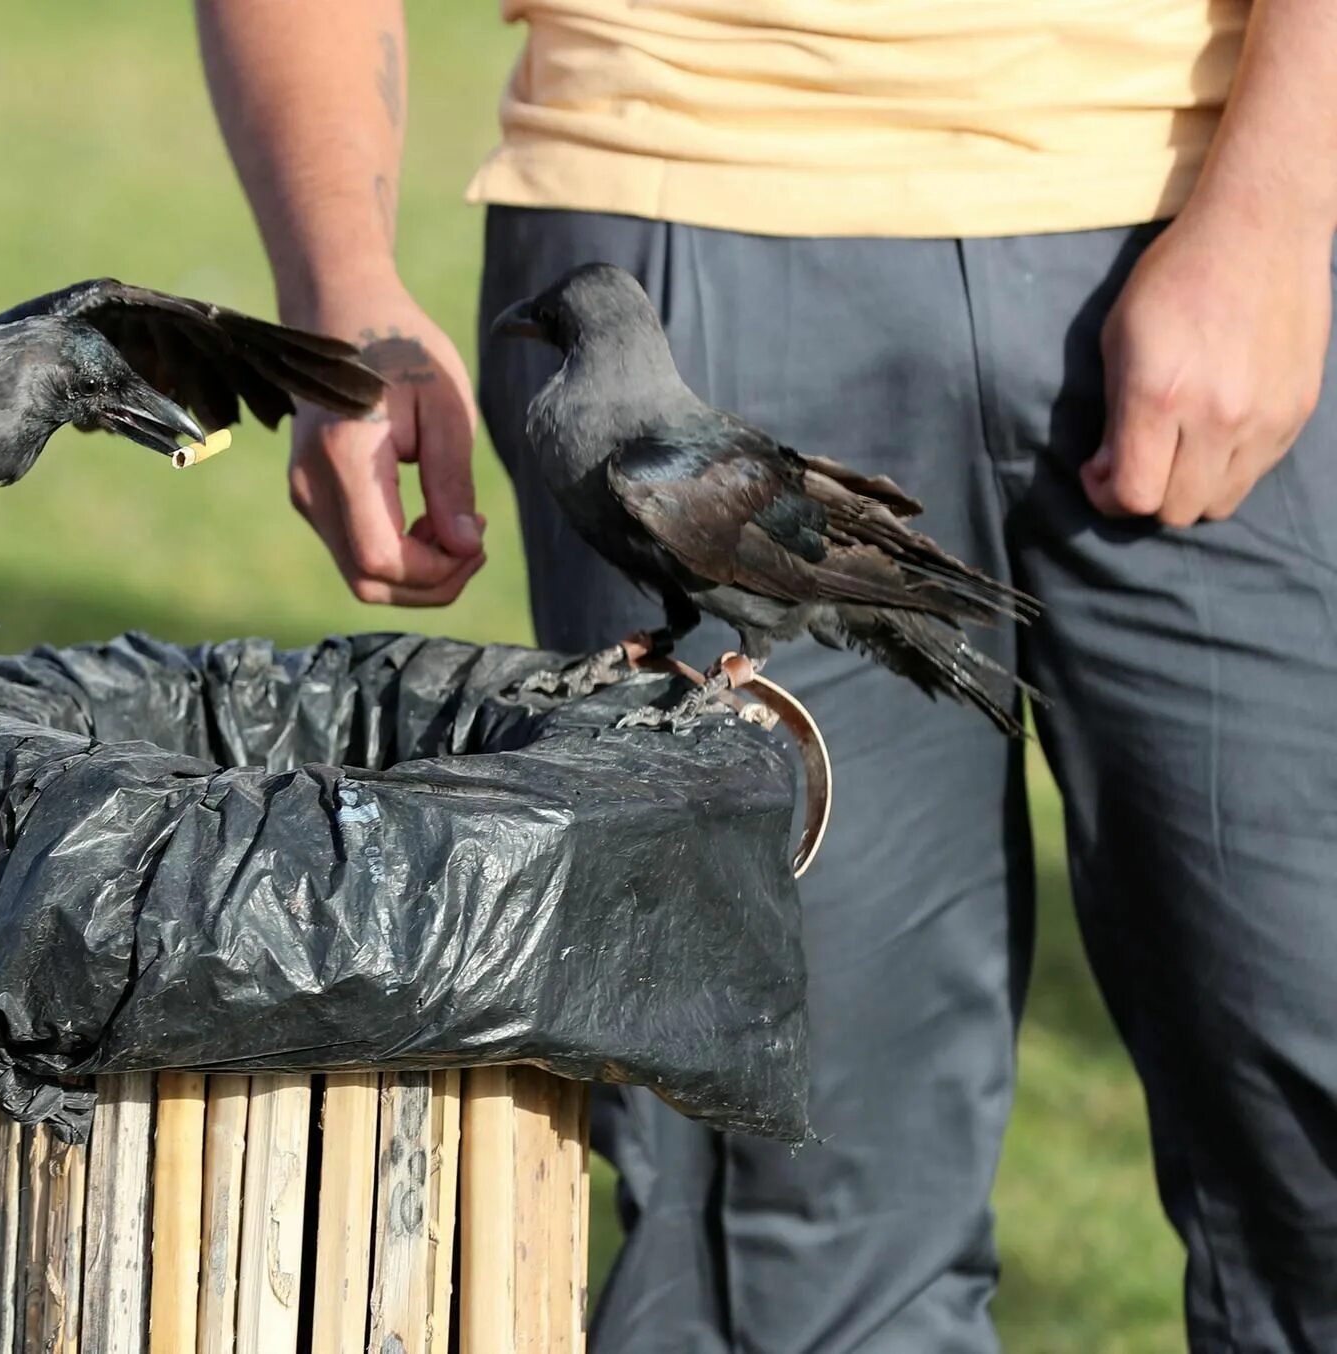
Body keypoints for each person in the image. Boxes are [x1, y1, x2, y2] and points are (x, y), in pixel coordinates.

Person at [194, 2, 1337, 1348]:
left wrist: (1282, 198)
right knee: (796, 1200)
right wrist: (343, 286)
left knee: (1311, 1089)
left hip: (1220, 222)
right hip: (689, 199)